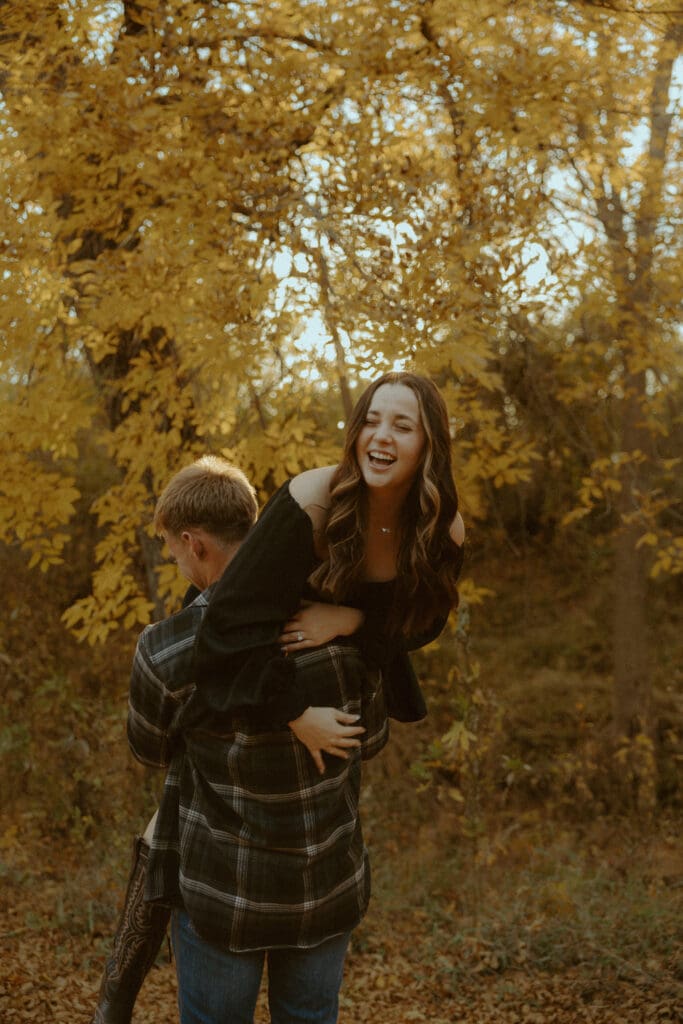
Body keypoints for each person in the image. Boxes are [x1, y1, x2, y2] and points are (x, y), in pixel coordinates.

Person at [157, 371, 465, 1023]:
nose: (380, 436)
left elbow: (426, 618)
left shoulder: (442, 528)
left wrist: (354, 620)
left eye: (401, 426)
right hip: (242, 659)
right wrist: (293, 713)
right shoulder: (312, 502)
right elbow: (224, 629)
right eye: (371, 421)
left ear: (427, 446)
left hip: (329, 688)